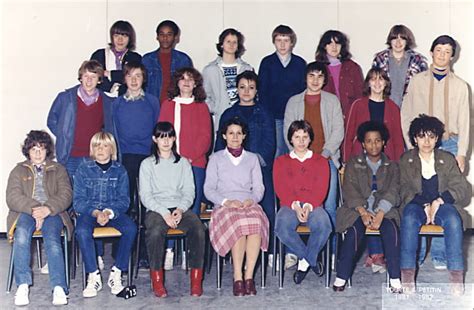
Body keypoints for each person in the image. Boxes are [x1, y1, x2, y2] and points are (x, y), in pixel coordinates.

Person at [401, 35, 469, 269]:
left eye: (447, 51)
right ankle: (417, 254)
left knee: (445, 200)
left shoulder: (461, 86)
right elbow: (406, 114)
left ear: (453, 55)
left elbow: (465, 122)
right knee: (419, 198)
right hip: (421, 143)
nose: (442, 55)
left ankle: (440, 254)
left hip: (449, 143)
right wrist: (412, 145)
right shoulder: (417, 81)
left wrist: (461, 153)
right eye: (438, 50)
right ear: (431, 53)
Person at [399, 115, 469, 296]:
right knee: (408, 218)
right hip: (415, 204)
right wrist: (423, 204)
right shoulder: (406, 160)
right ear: (414, 138)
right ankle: (407, 277)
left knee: (453, 220)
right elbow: (402, 188)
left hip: (442, 204)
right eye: (422, 136)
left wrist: (439, 201)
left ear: (437, 138)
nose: (427, 141)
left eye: (431, 136)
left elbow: (462, 187)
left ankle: (456, 277)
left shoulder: (446, 158)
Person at [215, 71, 276, 266]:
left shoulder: (265, 113)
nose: (246, 91)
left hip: (259, 166)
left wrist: (252, 161)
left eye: (251, 87)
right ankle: (233, 252)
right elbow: (219, 146)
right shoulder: (228, 114)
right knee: (232, 208)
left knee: (266, 207)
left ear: (256, 90)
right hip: (232, 172)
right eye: (242, 87)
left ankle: (268, 253)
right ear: (237, 90)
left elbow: (269, 144)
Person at [333, 121, 401, 292]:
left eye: (377, 140)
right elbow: (349, 190)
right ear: (363, 143)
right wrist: (363, 212)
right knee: (354, 232)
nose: (373, 145)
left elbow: (393, 191)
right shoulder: (353, 164)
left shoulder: (392, 166)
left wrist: (380, 213)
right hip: (356, 210)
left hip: (385, 211)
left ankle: (395, 278)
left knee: (391, 231)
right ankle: (341, 276)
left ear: (384, 142)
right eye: (369, 141)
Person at [139, 122, 206, 298]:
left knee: (198, 229)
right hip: (156, 209)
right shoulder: (147, 164)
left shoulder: (183, 163)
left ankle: (196, 280)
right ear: (155, 140)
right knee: (155, 232)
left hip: (179, 208)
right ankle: (157, 281)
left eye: (169, 136)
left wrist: (180, 209)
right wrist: (164, 212)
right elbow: (146, 196)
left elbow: (189, 191)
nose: (166, 141)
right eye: (161, 137)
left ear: (174, 138)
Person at [6, 130, 72, 306]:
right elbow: (12, 197)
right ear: (27, 150)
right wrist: (36, 209)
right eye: (33, 148)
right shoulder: (18, 170)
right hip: (26, 212)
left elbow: (66, 195)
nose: (37, 153)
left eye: (41, 149)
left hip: (53, 213)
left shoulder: (59, 169)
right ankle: (22, 285)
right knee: (21, 235)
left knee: (52, 239)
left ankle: (59, 287)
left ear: (47, 151)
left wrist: (47, 209)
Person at [204, 118, 269, 296]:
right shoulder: (216, 158)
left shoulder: (252, 159)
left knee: (256, 221)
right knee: (238, 224)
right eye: (231, 133)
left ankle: (249, 277)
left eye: (239, 133)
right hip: (225, 205)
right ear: (224, 136)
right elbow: (208, 189)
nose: (235, 137)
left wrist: (252, 199)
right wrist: (226, 202)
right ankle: (237, 276)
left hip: (248, 202)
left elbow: (259, 188)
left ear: (244, 136)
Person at [284, 61, 344, 254]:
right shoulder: (293, 101)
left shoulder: (332, 100)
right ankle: (299, 252)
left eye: (320, 76)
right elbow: (288, 132)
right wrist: (302, 156)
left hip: (326, 160)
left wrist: (324, 154)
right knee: (298, 206)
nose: (315, 80)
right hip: (300, 162)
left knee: (329, 206)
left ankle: (331, 253)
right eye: (312, 76)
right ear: (305, 78)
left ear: (325, 79)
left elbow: (338, 131)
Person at [159, 67, 211, 269]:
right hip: (170, 163)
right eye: (182, 79)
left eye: (191, 79)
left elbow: (206, 137)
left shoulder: (201, 107)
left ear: (196, 84)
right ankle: (170, 249)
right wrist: (173, 158)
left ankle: (191, 252)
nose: (187, 82)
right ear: (177, 83)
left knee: (192, 207)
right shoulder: (168, 105)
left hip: (195, 163)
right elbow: (162, 133)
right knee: (171, 204)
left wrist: (189, 158)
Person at [74, 132, 137, 298]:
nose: (100, 149)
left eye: (104, 146)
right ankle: (93, 275)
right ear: (92, 149)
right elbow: (78, 201)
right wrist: (95, 212)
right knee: (81, 231)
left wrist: (108, 213)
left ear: (112, 149)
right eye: (96, 146)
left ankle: (116, 272)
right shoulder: (83, 169)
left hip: (112, 212)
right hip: (90, 212)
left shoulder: (120, 170)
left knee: (130, 228)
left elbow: (124, 201)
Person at [274, 120, 332, 284]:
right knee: (282, 226)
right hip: (289, 204)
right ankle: (310, 258)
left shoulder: (321, 162)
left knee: (324, 224)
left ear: (310, 139)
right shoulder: (281, 162)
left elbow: (321, 188)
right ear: (290, 139)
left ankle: (304, 264)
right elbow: (280, 187)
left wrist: (308, 205)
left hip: (313, 204)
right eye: (296, 137)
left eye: (304, 137)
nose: (301, 141)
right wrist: (295, 205)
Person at [47, 60, 115, 178]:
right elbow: (51, 120)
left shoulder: (107, 102)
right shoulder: (65, 98)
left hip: (94, 156)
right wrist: (64, 135)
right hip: (69, 155)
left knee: (91, 193)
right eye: (86, 76)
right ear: (80, 78)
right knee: (69, 193)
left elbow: (108, 128)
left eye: (93, 77)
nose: (89, 80)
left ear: (99, 80)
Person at [258, 24, 306, 158]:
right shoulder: (267, 63)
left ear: (292, 43)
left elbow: (303, 90)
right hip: (274, 116)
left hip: (295, 115)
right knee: (278, 151)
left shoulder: (299, 63)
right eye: (279, 40)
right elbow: (262, 92)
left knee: (295, 149)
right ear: (274, 42)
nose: (282, 44)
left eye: (286, 40)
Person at [344, 68, 404, 162]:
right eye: (373, 79)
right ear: (368, 83)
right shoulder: (357, 105)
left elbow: (398, 140)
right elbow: (348, 136)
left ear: (386, 83)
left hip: (386, 160)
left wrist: (398, 164)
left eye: (380, 79)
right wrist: (346, 161)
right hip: (360, 159)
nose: (377, 83)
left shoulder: (394, 108)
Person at [203, 28, 253, 134]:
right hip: (221, 118)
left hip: (244, 117)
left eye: (234, 42)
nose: (231, 45)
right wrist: (215, 108)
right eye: (228, 41)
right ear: (221, 44)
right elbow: (204, 96)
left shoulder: (246, 68)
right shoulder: (210, 70)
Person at [372, 24, 428, 108]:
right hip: (384, 107)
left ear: (407, 41)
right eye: (395, 38)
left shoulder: (417, 61)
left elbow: (424, 88)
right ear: (390, 40)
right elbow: (372, 85)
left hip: (410, 108)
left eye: (402, 38)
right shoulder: (380, 59)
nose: (398, 42)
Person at [315, 30, 363, 121]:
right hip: (325, 117)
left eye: (337, 43)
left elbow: (360, 94)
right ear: (324, 46)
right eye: (330, 43)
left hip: (349, 116)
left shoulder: (353, 67)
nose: (334, 47)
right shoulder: (317, 68)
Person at [142, 20, 193, 104]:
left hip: (176, 105)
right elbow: (142, 87)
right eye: (162, 34)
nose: (165, 38)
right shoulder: (147, 60)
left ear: (176, 37)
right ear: (157, 37)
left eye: (169, 34)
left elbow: (189, 86)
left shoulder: (183, 60)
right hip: (152, 106)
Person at [90, 20, 142, 97]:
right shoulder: (99, 55)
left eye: (124, 36)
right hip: (102, 99)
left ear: (130, 38)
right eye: (116, 35)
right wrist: (122, 75)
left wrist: (110, 74)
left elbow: (135, 79)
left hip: (127, 99)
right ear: (112, 37)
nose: (120, 40)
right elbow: (92, 77)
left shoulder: (135, 58)